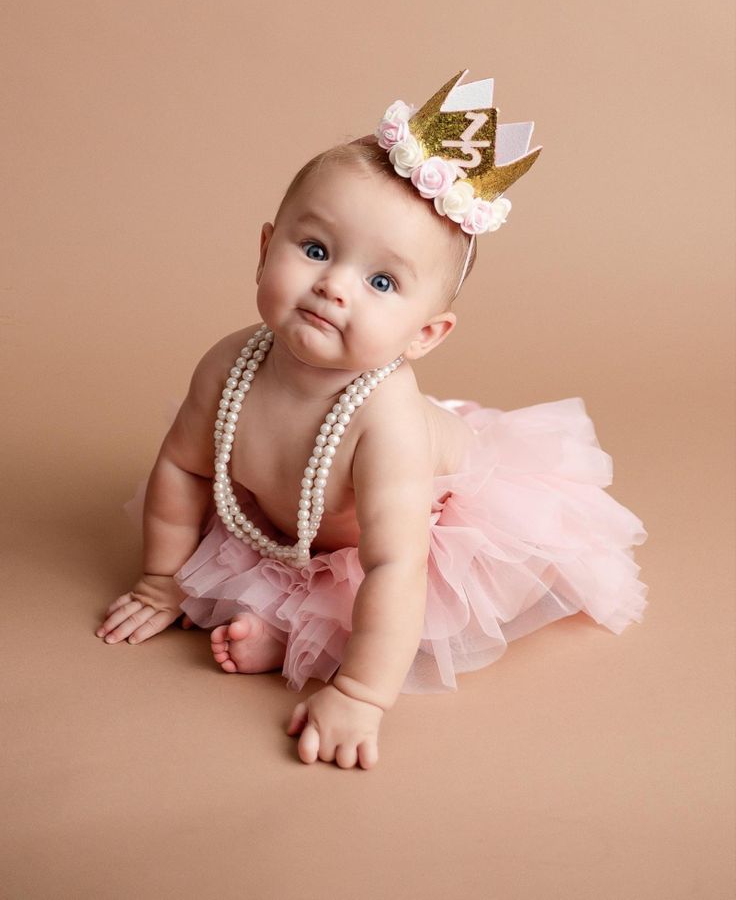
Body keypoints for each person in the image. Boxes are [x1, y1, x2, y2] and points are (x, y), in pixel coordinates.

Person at [96, 71, 648, 770]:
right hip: (294, 525)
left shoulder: (383, 422)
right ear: (265, 247)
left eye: (381, 282)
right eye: (316, 250)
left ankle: (305, 647)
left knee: (406, 605)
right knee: (261, 548)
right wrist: (163, 578)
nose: (333, 285)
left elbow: (395, 565)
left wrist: (359, 693)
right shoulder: (229, 363)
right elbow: (183, 466)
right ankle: (274, 627)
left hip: (421, 531)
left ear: (426, 333)